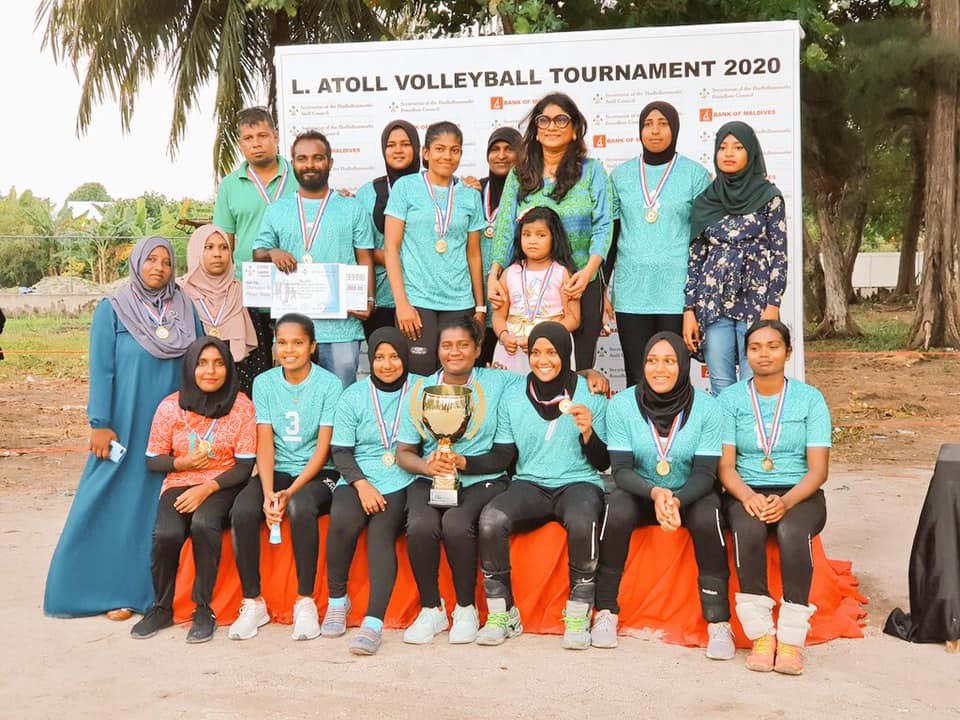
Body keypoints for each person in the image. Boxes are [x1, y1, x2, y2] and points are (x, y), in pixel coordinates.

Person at [44, 237, 201, 619]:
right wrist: (100, 423)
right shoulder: (113, 309)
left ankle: (153, 594)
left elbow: (198, 364)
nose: (158, 268)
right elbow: (103, 369)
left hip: (171, 426)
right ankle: (98, 590)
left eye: (166, 261)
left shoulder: (185, 307)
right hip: (126, 423)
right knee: (109, 498)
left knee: (157, 505)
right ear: (137, 263)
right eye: (151, 260)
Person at [593, 332, 734, 659]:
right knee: (616, 511)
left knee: (707, 516)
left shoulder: (708, 408)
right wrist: (656, 493)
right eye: (652, 361)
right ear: (642, 364)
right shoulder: (623, 404)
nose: (660, 369)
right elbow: (622, 470)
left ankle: (718, 620)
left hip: (692, 492)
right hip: (641, 489)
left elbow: (705, 473)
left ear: (683, 365)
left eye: (669, 361)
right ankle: (605, 611)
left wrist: (677, 500)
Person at [476, 322, 609, 649]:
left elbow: (604, 463)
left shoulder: (591, 393)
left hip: (578, 482)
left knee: (583, 520)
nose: (542, 360)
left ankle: (578, 613)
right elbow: (505, 453)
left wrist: (588, 432)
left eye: (551, 352)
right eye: (535, 352)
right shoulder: (513, 395)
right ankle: (502, 612)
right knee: (491, 519)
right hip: (530, 483)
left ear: (565, 353)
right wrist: (464, 463)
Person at [395, 315, 518, 645]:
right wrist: (426, 466)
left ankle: (465, 608)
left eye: (463, 345)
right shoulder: (420, 389)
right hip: (432, 476)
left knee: (456, 523)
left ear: (478, 349)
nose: (454, 352)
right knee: (420, 525)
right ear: (437, 350)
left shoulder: (499, 383)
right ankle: (431, 608)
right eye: (447, 346)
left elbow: (545, 379)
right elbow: (404, 451)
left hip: (483, 476)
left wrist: (588, 374)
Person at [718, 320, 831, 675]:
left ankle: (792, 639)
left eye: (772, 346)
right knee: (747, 530)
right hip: (745, 489)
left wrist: (786, 502)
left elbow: (818, 470)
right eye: (755, 347)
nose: (763, 354)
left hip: (799, 492)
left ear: (788, 352)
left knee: (792, 532)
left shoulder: (810, 399)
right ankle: (762, 636)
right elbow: (725, 467)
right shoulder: (730, 399)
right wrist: (747, 496)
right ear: (746, 354)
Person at [131, 337, 256, 642]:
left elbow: (244, 465)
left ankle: (203, 608)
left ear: (228, 367)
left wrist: (207, 489)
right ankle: (161, 607)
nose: (210, 371)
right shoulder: (170, 407)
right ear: (190, 368)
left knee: (204, 523)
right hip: (180, 480)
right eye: (202, 363)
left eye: (218, 363)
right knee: (166, 534)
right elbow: (152, 459)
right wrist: (181, 462)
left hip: (224, 482)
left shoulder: (241, 406)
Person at [227, 314, 344, 641]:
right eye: (282, 342)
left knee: (302, 507)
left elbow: (323, 449)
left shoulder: (329, 384)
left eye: (298, 342)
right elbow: (265, 441)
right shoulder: (264, 383)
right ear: (275, 346)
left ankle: (305, 601)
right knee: (243, 509)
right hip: (276, 469)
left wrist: (290, 491)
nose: (289, 349)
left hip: (318, 471)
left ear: (312, 346)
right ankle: (253, 601)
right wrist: (267, 492)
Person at [487, 93, 613, 371]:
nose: (552, 126)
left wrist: (588, 273)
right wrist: (494, 274)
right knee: (529, 372)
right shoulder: (520, 173)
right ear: (535, 129)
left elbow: (604, 226)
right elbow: (506, 227)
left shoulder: (592, 172)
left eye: (561, 120)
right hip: (529, 287)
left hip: (581, 284)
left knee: (578, 370)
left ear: (574, 129)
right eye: (544, 119)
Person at [253, 130, 375, 388]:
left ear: (330, 162)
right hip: (292, 331)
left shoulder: (351, 208)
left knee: (342, 398)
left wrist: (369, 299)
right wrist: (272, 253)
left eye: (317, 158)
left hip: (342, 328)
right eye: (302, 158)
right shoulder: (277, 210)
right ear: (293, 162)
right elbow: (258, 252)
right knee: (293, 400)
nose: (309, 164)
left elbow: (365, 258)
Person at [322, 328, 416, 655]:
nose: (386, 364)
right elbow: (342, 452)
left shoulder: (421, 390)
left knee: (381, 533)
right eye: (379, 357)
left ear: (404, 357)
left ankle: (373, 623)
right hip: (359, 474)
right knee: (342, 518)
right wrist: (361, 485)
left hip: (402, 476)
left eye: (393, 356)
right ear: (370, 360)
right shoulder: (353, 396)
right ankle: (337, 600)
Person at [607, 102, 711, 387]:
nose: (654, 131)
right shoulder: (620, 176)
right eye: (648, 124)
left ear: (675, 128)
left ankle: (676, 431)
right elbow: (612, 236)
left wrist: (698, 296)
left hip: (676, 290)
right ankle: (638, 431)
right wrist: (603, 286)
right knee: (637, 373)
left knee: (674, 373)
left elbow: (703, 241)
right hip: (631, 290)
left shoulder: (695, 175)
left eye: (663, 123)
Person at [683, 121, 786, 396]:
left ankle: (756, 439)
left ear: (750, 153)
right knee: (721, 383)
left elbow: (779, 255)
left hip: (757, 300)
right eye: (723, 147)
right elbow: (695, 260)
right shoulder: (706, 200)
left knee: (756, 378)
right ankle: (726, 440)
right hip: (713, 303)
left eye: (738, 147)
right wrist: (689, 310)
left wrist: (772, 305)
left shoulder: (769, 197)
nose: (728, 153)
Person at [384, 121, 487, 376]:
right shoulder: (405, 188)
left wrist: (480, 306)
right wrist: (402, 304)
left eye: (455, 150)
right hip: (418, 301)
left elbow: (473, 254)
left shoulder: (470, 195)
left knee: (456, 374)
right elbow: (391, 249)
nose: (447, 156)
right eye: (440, 149)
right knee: (419, 375)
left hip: (460, 301)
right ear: (426, 153)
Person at [213, 107, 298, 382]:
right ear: (240, 144)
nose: (256, 143)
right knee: (254, 371)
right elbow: (224, 241)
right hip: (248, 291)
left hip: (296, 286)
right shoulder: (229, 185)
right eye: (248, 138)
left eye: (262, 135)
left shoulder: (300, 175)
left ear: (276, 136)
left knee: (295, 367)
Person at [491, 206, 580, 374]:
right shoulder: (509, 273)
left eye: (541, 235)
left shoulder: (562, 273)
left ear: (554, 237)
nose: (532, 240)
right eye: (526, 234)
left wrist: (540, 338)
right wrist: (503, 336)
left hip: (549, 347)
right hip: (512, 348)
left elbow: (573, 318)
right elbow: (498, 315)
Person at [355, 120, 421, 339]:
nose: (398, 150)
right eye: (391, 145)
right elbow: (357, 245)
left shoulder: (430, 187)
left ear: (417, 147)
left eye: (405, 144)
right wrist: (383, 256)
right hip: (381, 299)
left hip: (423, 297)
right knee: (385, 366)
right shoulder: (366, 193)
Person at [466, 126, 523, 366]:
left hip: (510, 291)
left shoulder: (528, 192)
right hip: (474, 290)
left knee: (507, 364)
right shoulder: (473, 190)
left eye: (509, 149)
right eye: (495, 149)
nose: (501, 155)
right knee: (476, 361)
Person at [180, 224, 259, 396]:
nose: (218, 254)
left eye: (224, 247)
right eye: (209, 247)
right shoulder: (180, 295)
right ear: (196, 252)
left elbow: (257, 357)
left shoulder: (243, 292)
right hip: (193, 388)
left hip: (239, 386)